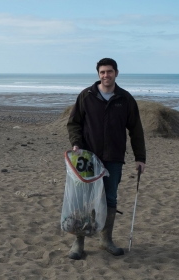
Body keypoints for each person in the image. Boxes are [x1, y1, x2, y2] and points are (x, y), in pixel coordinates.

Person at [66, 58, 146, 260]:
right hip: (87, 157)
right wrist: (76, 143)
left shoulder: (125, 99)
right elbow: (74, 123)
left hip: (114, 158)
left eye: (109, 71)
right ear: (98, 74)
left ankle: (106, 239)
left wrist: (140, 158)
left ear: (116, 73)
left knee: (110, 199)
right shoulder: (87, 96)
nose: (106, 75)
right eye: (102, 72)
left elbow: (136, 130)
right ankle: (79, 242)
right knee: (83, 200)